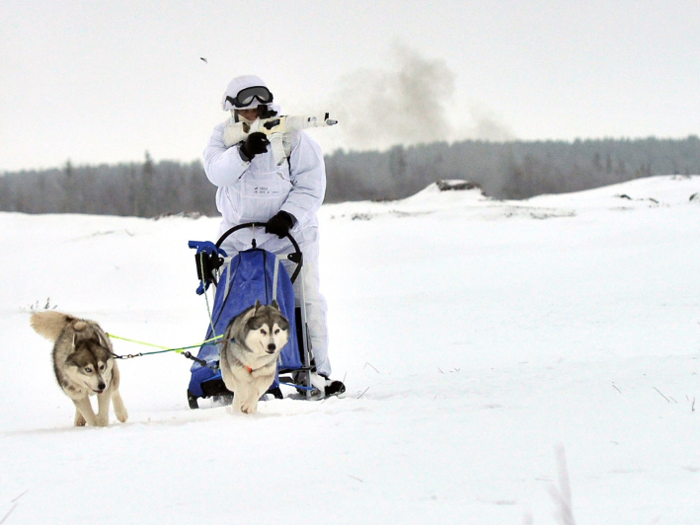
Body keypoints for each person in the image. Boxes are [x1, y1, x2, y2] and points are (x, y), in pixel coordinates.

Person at [202, 74, 344, 397]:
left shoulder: (291, 135)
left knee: (303, 301)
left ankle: (316, 370)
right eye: (245, 109)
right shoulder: (222, 137)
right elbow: (216, 172)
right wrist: (244, 152)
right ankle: (228, 372)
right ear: (234, 111)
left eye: (258, 107)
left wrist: (290, 215)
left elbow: (312, 184)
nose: (253, 114)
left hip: (288, 236)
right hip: (238, 238)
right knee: (235, 305)